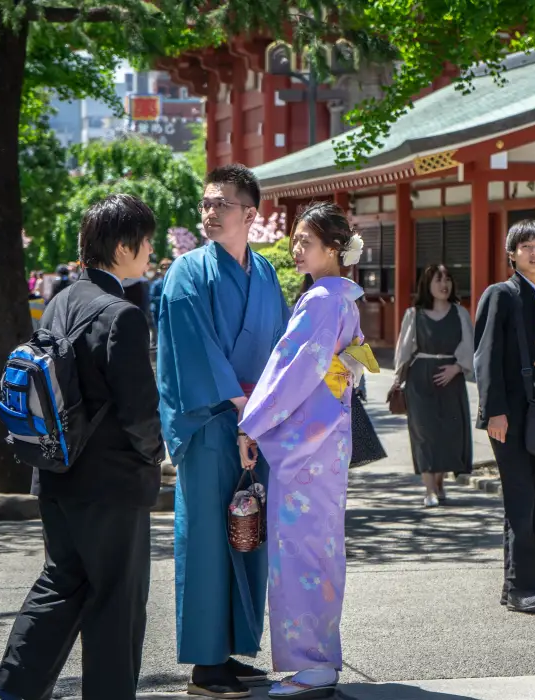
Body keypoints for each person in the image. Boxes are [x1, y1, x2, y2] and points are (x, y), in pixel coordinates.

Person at [0, 195, 164, 700]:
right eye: (147, 241)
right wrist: (154, 454)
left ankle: (13, 689)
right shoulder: (122, 316)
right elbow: (139, 411)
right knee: (116, 598)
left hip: (55, 472)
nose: (150, 250)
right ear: (125, 247)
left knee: (62, 581)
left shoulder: (61, 302)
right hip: (111, 483)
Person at [157, 164, 291, 697]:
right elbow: (193, 349)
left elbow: (281, 348)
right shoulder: (186, 272)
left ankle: (233, 648)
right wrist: (244, 406)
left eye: (223, 204)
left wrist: (265, 413)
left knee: (249, 534)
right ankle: (204, 666)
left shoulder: (265, 275)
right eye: (207, 203)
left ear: (250, 215)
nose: (211, 212)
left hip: (255, 430)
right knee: (207, 542)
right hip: (210, 424)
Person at [238, 203, 366, 698]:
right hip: (325, 440)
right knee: (321, 547)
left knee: (300, 553)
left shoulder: (321, 301)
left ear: (333, 248)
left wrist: (252, 424)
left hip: (306, 445)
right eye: (294, 239)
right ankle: (319, 658)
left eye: (305, 242)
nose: (296, 249)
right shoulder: (345, 299)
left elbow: (290, 371)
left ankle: (311, 663)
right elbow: (352, 361)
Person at [474, 219, 535, 613]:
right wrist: (493, 411)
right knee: (521, 498)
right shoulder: (499, 295)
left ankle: (518, 584)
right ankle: (520, 588)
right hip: (507, 417)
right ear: (511, 254)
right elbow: (486, 357)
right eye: (526, 245)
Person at [394, 263, 475, 506]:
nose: (444, 284)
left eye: (447, 279)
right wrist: (398, 380)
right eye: (438, 279)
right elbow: (404, 350)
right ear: (427, 285)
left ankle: (439, 482)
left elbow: (469, 344)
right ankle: (429, 489)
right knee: (425, 434)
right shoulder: (414, 314)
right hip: (421, 380)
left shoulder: (459, 313)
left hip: (452, 379)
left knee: (448, 434)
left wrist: (457, 367)